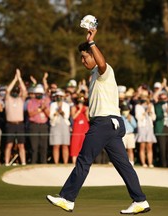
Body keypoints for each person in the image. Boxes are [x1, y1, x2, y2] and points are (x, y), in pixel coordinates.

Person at [46, 28, 150, 214]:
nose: (83, 60)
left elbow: (102, 64)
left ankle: (67, 199)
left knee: (84, 160)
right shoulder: (93, 76)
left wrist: (92, 42)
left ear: (94, 56)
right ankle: (140, 200)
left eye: (86, 57)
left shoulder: (104, 70)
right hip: (112, 124)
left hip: (104, 123)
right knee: (123, 165)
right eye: (82, 58)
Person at [4, 69, 27, 166]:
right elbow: (7, 90)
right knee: (9, 144)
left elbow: (25, 91)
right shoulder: (8, 99)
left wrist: (20, 78)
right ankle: (6, 163)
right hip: (10, 124)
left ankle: (23, 162)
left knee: (21, 145)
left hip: (20, 124)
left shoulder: (20, 99)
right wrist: (14, 79)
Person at [27, 84, 50, 164]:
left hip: (43, 126)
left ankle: (43, 163)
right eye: (38, 94)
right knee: (34, 146)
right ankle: (33, 163)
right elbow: (30, 114)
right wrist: (40, 109)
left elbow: (49, 114)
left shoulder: (45, 102)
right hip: (34, 125)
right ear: (35, 94)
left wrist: (45, 108)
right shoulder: (30, 102)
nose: (39, 95)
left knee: (43, 146)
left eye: (40, 94)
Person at [49, 90, 71, 164]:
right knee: (56, 145)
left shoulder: (66, 105)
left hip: (64, 125)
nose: (59, 97)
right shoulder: (53, 105)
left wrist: (61, 111)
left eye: (60, 96)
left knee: (65, 145)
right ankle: (56, 163)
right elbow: (51, 116)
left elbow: (67, 116)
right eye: (57, 96)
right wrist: (57, 112)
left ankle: (65, 163)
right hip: (55, 125)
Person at [135, 94, 156, 167]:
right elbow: (138, 117)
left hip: (149, 126)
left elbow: (153, 118)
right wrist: (146, 111)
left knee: (150, 146)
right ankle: (143, 163)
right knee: (142, 145)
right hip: (142, 127)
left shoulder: (151, 106)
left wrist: (150, 112)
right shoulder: (138, 106)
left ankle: (150, 163)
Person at [70, 95, 89, 164]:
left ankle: (84, 161)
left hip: (84, 128)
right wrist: (79, 110)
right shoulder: (73, 108)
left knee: (84, 144)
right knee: (75, 144)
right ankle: (74, 162)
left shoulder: (86, 108)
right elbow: (74, 117)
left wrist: (86, 112)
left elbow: (88, 119)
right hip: (77, 128)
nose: (80, 102)